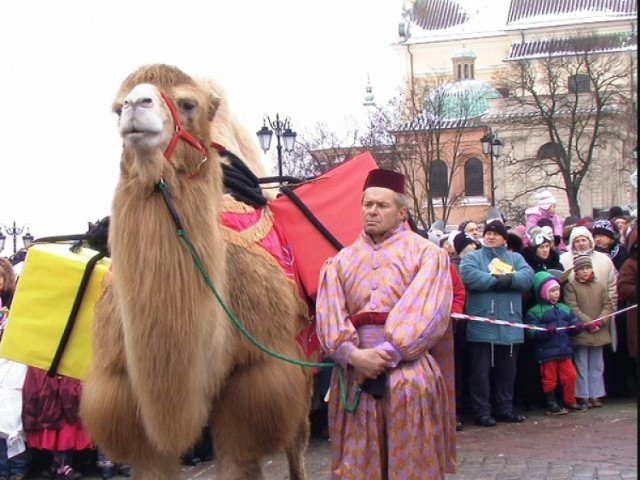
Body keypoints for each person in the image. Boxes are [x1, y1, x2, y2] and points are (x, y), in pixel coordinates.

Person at [316, 168, 455, 479]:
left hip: (408, 377)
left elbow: (428, 312)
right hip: (355, 378)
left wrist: (386, 355)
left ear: (402, 212)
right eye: (367, 205)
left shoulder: (427, 255)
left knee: (412, 463)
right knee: (358, 463)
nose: (372, 211)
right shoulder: (340, 261)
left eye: (382, 205)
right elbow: (328, 316)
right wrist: (353, 356)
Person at [459, 218, 534, 427]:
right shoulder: (472, 258)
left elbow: (528, 277)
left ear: (504, 239)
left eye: (496, 234)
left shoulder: (516, 258)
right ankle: (482, 411)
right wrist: (498, 280)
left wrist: (508, 280)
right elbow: (470, 277)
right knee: (480, 373)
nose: (491, 237)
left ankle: (505, 409)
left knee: (507, 372)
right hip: (482, 325)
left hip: (510, 325)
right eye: (488, 233)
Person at [524, 272, 587, 415]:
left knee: (570, 376)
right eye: (552, 290)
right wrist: (546, 331)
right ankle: (551, 403)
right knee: (549, 379)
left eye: (557, 290)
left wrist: (577, 327)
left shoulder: (564, 308)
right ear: (542, 292)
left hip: (565, 351)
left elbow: (573, 324)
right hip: (547, 353)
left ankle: (570, 401)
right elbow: (531, 333)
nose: (556, 293)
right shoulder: (534, 312)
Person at [564, 254, 614, 409]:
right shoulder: (571, 286)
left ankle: (596, 394)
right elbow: (572, 307)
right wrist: (588, 322)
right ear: (576, 271)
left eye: (587, 268)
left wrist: (601, 320)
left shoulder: (599, 285)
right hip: (582, 332)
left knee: (597, 364)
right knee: (581, 364)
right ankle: (583, 395)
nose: (585, 271)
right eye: (581, 269)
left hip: (599, 330)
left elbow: (607, 304)